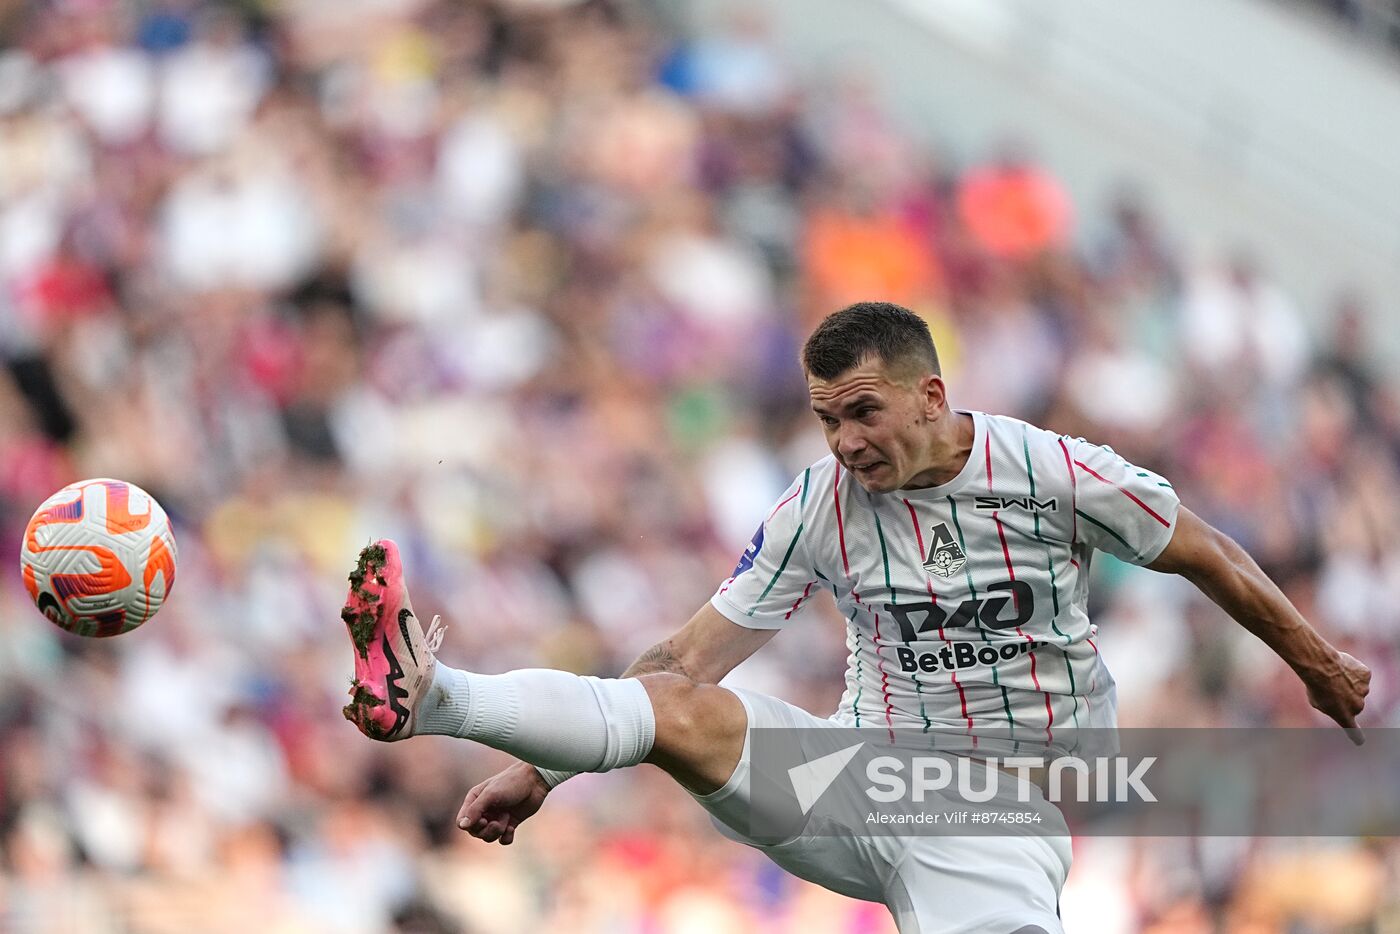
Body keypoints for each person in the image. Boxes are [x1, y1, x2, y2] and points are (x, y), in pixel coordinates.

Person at [339, 302, 1370, 933]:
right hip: (859, 773)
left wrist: (1315, 662)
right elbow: (683, 657)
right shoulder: (815, 508)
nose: (841, 440)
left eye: (862, 412)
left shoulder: (1053, 470)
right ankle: (431, 696)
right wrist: (540, 768)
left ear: (928, 394)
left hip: (1000, 811)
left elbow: (1206, 551)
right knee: (680, 705)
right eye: (826, 417)